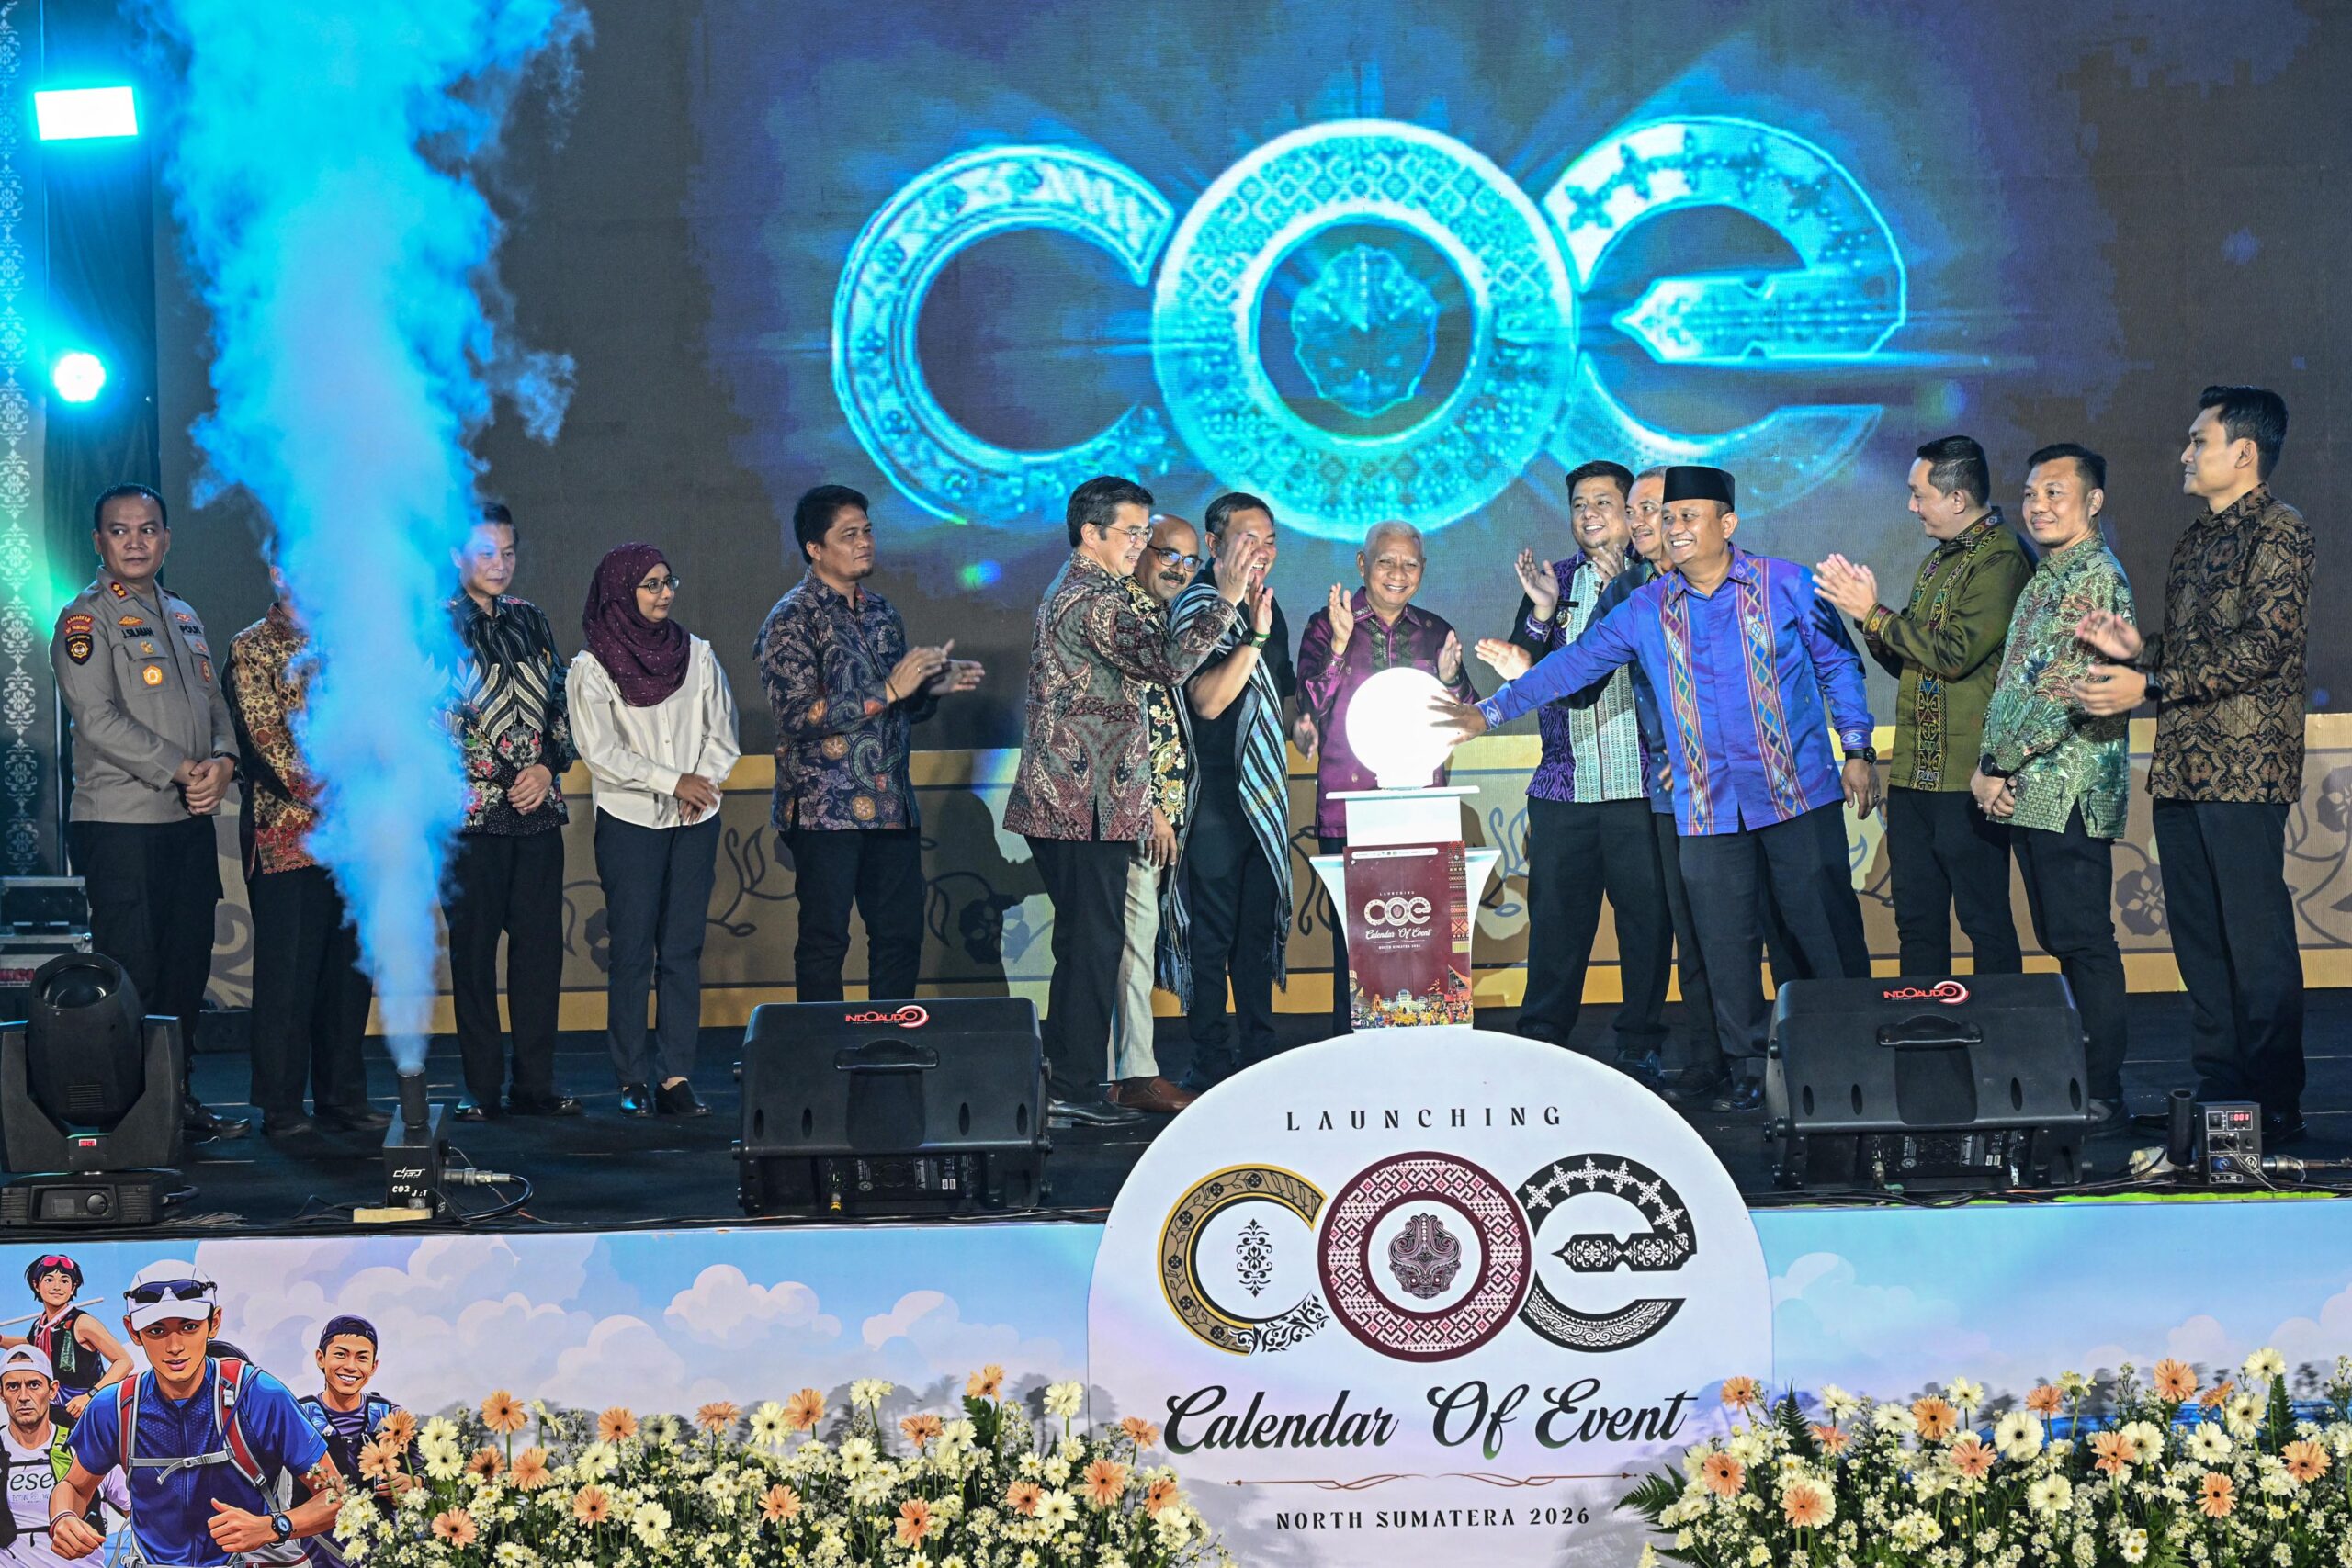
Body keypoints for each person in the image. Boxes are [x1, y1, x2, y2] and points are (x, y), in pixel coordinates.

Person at [1443, 465, 1878, 1111]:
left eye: (1686, 516)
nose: (1672, 527)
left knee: (1820, 932)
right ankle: (1749, 1069)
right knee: (1722, 946)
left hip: (1795, 796)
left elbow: (1838, 662)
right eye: (1666, 517)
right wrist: (1490, 711)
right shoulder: (1645, 607)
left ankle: (1855, 1060)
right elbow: (1572, 666)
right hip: (1706, 808)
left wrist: (1859, 747)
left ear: (1727, 524)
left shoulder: (1785, 584)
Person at [2075, 386, 2312, 1145]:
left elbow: (2261, 648)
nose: (2184, 453)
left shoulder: (2280, 532)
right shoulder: (2193, 540)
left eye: (2198, 440)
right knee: (2199, 938)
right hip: (2183, 765)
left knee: (2255, 937)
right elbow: (2193, 652)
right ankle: (2223, 1087)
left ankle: (2274, 1095)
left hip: (2245, 768)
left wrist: (2149, 682)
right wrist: (2137, 649)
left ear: (2244, 451)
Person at [1005, 476, 1261, 1126]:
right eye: (1133, 533)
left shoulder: (1101, 592)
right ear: (1091, 533)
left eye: (1147, 532)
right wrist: (1228, 596)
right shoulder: (1091, 599)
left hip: (1091, 803)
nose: (1141, 544)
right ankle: (1071, 1086)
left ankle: (1076, 1083)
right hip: (1078, 803)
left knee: (1092, 945)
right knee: (1091, 948)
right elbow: (1170, 662)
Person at [49, 484, 249, 1143]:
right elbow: (97, 719)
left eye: (147, 529)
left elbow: (214, 704)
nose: (135, 542)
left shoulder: (184, 614)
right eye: (120, 530)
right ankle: (130, 1114)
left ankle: (175, 1100)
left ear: (166, 538)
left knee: (186, 966)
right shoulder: (85, 620)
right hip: (120, 822)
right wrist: (183, 768)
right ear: (98, 541)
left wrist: (223, 761)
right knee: (133, 971)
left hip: (187, 821)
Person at [756, 486, 980, 1010]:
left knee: (900, 935)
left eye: (868, 531)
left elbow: (895, 708)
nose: (864, 542)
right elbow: (795, 715)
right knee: (825, 940)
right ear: (815, 548)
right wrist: (892, 689)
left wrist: (928, 691)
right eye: (849, 534)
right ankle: (821, 1046)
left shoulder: (882, 613)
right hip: (824, 811)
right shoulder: (792, 618)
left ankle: (890, 1040)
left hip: (891, 805)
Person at [1815, 435, 2030, 979]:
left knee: (1983, 919)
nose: (1912, 507)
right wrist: (1868, 620)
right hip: (1915, 774)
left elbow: (1955, 654)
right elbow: (1913, 660)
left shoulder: (2001, 557)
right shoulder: (1939, 560)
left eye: (1919, 494)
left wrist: (1875, 613)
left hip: (1967, 775)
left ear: (1957, 498)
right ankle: (1927, 1023)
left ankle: (1997, 1025)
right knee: (1917, 919)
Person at [1973, 444, 2134, 1132]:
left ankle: (2103, 1090)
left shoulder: (2094, 577)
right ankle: (2079, 1082)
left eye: (2055, 493)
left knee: (2084, 941)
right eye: (2031, 493)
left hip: (2069, 789)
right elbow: (2018, 684)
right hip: (2031, 789)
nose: (2037, 505)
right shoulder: (2047, 575)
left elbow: (2068, 691)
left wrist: (1996, 764)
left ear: (2093, 501)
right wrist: (1994, 766)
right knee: (2064, 939)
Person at [1501, 461, 1672, 1070]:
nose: (1589, 513)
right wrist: (1541, 613)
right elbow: (1522, 669)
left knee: (1646, 924)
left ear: (1631, 512)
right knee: (1556, 925)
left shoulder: (1658, 577)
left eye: (1603, 502)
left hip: (1641, 787)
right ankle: (1544, 1041)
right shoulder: (1554, 580)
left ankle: (1640, 1042)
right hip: (1562, 787)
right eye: (1578, 504)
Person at [570, 544, 742, 1119]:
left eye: (669, 581)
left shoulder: (698, 654)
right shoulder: (592, 666)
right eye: (650, 584)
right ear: (621, 592)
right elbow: (601, 752)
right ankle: (632, 1077)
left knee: (682, 949)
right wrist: (674, 782)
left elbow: (723, 734)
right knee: (632, 950)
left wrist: (701, 786)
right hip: (631, 821)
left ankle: (676, 1076)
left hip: (695, 819)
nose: (664, 593)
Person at [1295, 520, 1477, 1035]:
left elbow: (1467, 718)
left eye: (1410, 564)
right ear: (1362, 564)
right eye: (1386, 561)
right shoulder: (1326, 624)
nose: (1398, 573)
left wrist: (1451, 680)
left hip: (1422, 810)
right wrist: (1338, 647)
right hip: (1348, 809)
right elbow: (1308, 704)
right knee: (1358, 942)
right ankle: (1353, 1049)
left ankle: (1428, 1046)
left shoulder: (1435, 630)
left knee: (1426, 938)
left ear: (1423, 569)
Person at [227, 574, 388, 1141]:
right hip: (287, 835)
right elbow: (264, 742)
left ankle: (342, 1097)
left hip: (357, 836)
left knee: (349, 974)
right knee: (289, 976)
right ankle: (282, 1106)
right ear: (276, 571)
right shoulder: (251, 646)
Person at [47, 1265, 340, 1568]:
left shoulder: (259, 1396)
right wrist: (63, 1517)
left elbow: (335, 1494)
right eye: (157, 1330)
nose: (174, 1347)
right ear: (133, 1331)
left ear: (214, 1323)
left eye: (189, 1327)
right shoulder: (115, 1407)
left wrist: (273, 1526)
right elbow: (75, 1487)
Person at [1166, 493, 1311, 1089]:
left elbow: (1285, 692)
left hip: (1262, 798)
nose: (1262, 551)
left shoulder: (1266, 605)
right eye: (1249, 539)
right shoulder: (1195, 604)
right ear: (1214, 543)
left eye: (1270, 540)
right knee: (1211, 936)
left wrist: (1305, 725)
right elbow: (1207, 700)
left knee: (1255, 934)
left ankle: (1259, 1050)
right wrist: (1252, 633)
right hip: (1211, 797)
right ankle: (1210, 1057)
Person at [444, 503, 581, 1122]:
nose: (499, 565)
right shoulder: (434, 625)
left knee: (539, 955)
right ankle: (481, 1089)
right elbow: (431, 721)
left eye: (508, 552)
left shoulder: (532, 618)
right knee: (473, 958)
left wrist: (547, 767)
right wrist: (503, 778)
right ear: (457, 556)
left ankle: (535, 1084)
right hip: (471, 817)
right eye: (485, 552)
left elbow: (560, 707)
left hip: (539, 812)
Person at [1102, 515, 1202, 1114]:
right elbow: (1120, 723)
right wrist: (1149, 807)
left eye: (1190, 562)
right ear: (1140, 549)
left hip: (1158, 811)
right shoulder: (1122, 614)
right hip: (1134, 813)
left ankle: (1125, 1071)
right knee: (1131, 943)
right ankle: (1134, 1073)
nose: (1179, 570)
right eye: (1169, 555)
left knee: (1136, 940)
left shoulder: (1159, 616)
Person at [0, 1346, 127, 1568]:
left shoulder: (88, 1446)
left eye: (34, 1385)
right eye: (13, 1387)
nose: (23, 1397)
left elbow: (143, 1512)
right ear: (2, 1394)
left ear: (52, 1390)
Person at [293, 1316, 403, 1568]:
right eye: (341, 1355)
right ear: (320, 1358)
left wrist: (413, 1483)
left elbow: (425, 1476)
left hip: (381, 1555)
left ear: (374, 1366)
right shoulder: (298, 1416)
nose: (351, 1366)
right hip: (312, 1556)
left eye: (362, 1358)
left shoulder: (390, 1417)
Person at [0, 1261, 126, 1422]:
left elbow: (124, 1361)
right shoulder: (40, 1324)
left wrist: (90, 1396)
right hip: (53, 1407)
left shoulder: (83, 1323)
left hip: (84, 1410)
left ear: (73, 1287)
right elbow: (31, 1345)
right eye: (49, 1280)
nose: (57, 1287)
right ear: (36, 1285)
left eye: (65, 1281)